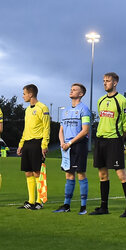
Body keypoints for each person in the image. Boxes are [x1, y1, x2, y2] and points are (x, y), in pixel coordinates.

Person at [88, 72, 126, 217]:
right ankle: (104, 207)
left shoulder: (122, 101)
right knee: (102, 174)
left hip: (114, 140)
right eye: (103, 81)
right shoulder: (101, 100)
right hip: (100, 140)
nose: (105, 83)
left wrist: (119, 139)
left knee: (121, 174)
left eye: (108, 81)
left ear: (115, 83)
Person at [54, 83, 91, 214]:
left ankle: (83, 207)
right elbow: (61, 129)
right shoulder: (65, 110)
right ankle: (66, 205)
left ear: (81, 94)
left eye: (74, 90)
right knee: (68, 174)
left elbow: (85, 130)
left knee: (81, 173)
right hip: (66, 146)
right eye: (71, 89)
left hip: (79, 145)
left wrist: (69, 143)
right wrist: (62, 143)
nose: (71, 91)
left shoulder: (84, 109)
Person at [18, 84, 49, 210]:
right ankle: (30, 201)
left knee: (37, 173)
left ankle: (39, 201)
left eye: (24, 93)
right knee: (28, 172)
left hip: (37, 143)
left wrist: (44, 144)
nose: (23, 96)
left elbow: (46, 128)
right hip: (27, 143)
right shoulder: (27, 110)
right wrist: (21, 144)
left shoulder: (43, 108)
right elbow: (26, 129)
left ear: (31, 94)